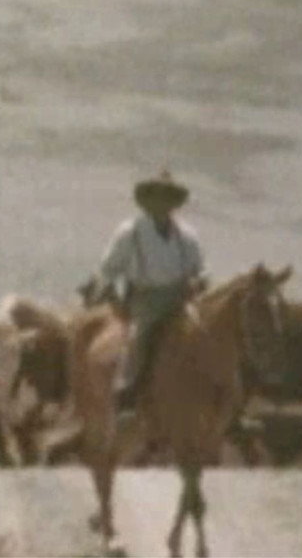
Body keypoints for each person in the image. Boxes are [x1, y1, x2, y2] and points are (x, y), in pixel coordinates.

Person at [94, 170, 207, 420]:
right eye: (157, 197)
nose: (162, 203)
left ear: (173, 202)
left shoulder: (187, 235)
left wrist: (199, 281)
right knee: (138, 337)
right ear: (148, 201)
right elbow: (109, 269)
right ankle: (125, 394)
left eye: (167, 197)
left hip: (180, 297)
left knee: (206, 334)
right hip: (146, 299)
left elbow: (198, 269)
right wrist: (112, 297)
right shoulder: (130, 232)